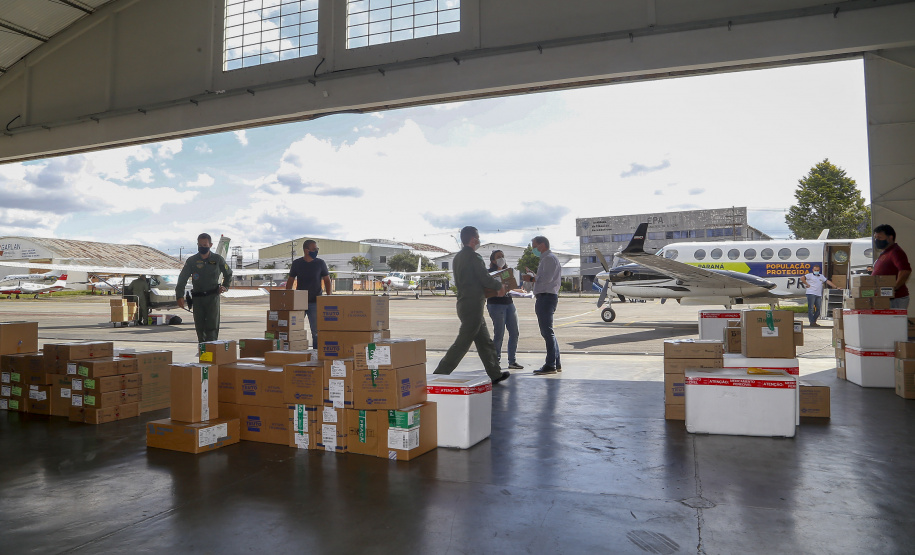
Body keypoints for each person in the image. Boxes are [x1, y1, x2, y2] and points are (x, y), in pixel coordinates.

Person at [433, 226, 510, 384]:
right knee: (462, 343)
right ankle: (439, 373)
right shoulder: (475, 257)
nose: (479, 240)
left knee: (484, 342)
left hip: (465, 304)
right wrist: (498, 287)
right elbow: (484, 278)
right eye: (478, 238)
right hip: (473, 305)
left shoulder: (458, 258)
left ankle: (495, 373)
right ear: (474, 240)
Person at [176, 233, 233, 342]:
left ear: (210, 245)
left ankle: (212, 350)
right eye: (200, 245)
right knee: (200, 327)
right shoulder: (191, 261)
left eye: (205, 245)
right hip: (198, 299)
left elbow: (228, 273)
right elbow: (182, 279)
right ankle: (203, 350)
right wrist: (179, 296)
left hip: (213, 298)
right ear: (197, 245)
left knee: (212, 327)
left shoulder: (218, 259)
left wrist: (225, 286)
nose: (202, 247)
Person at [522, 236, 562, 375]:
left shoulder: (549, 258)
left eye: (534, 246)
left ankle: (550, 364)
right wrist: (534, 276)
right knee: (549, 331)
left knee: (547, 332)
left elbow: (547, 278)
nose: (533, 249)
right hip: (546, 297)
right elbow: (545, 278)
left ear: (542, 245)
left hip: (546, 297)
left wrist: (532, 278)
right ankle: (556, 363)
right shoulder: (546, 259)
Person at [286, 239, 331, 347]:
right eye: (314, 249)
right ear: (306, 250)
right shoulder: (297, 263)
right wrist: (287, 297)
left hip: (315, 302)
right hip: (299, 303)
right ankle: (292, 351)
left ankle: (316, 353)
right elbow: (290, 280)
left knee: (316, 332)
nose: (316, 251)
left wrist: (329, 297)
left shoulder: (320, 263)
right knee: (293, 329)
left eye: (317, 249)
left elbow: (327, 280)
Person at [487, 250, 523, 370]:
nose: (501, 258)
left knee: (514, 332)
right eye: (498, 257)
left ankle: (512, 361)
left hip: (508, 303)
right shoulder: (489, 273)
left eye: (502, 256)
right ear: (493, 260)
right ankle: (495, 360)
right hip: (496, 305)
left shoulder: (507, 272)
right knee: (499, 333)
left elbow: (510, 286)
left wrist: (517, 290)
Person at [872, 224, 911, 310]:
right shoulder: (885, 253)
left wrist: (894, 288)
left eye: (880, 237)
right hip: (885, 298)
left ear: (890, 238)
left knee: (895, 323)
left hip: (895, 299)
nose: (876, 240)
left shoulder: (896, 252)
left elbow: (905, 271)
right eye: (875, 237)